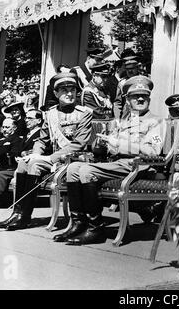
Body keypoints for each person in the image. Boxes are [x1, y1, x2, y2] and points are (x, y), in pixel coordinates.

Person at [52, 75, 166, 245]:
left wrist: (118, 144)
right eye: (135, 96)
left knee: (86, 171)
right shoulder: (123, 122)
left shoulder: (156, 121)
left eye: (144, 96)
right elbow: (112, 148)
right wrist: (103, 144)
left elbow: (153, 151)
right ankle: (78, 223)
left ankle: (95, 228)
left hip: (139, 166)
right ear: (127, 100)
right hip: (118, 163)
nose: (141, 99)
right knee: (73, 168)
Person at [0, 72, 93, 230]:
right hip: (54, 161)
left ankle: (25, 215)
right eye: (64, 90)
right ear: (55, 93)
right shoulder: (51, 114)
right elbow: (42, 139)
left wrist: (50, 158)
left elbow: (78, 144)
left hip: (75, 161)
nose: (69, 93)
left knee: (35, 166)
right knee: (24, 164)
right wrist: (36, 154)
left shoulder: (84, 114)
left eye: (72, 90)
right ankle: (18, 213)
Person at [0, 109, 43, 209]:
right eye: (26, 118)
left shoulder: (40, 134)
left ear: (39, 120)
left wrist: (21, 154)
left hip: (27, 167)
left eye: (30, 118)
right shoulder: (27, 135)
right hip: (16, 165)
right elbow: (17, 151)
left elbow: (34, 151)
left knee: (0, 174)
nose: (26, 120)